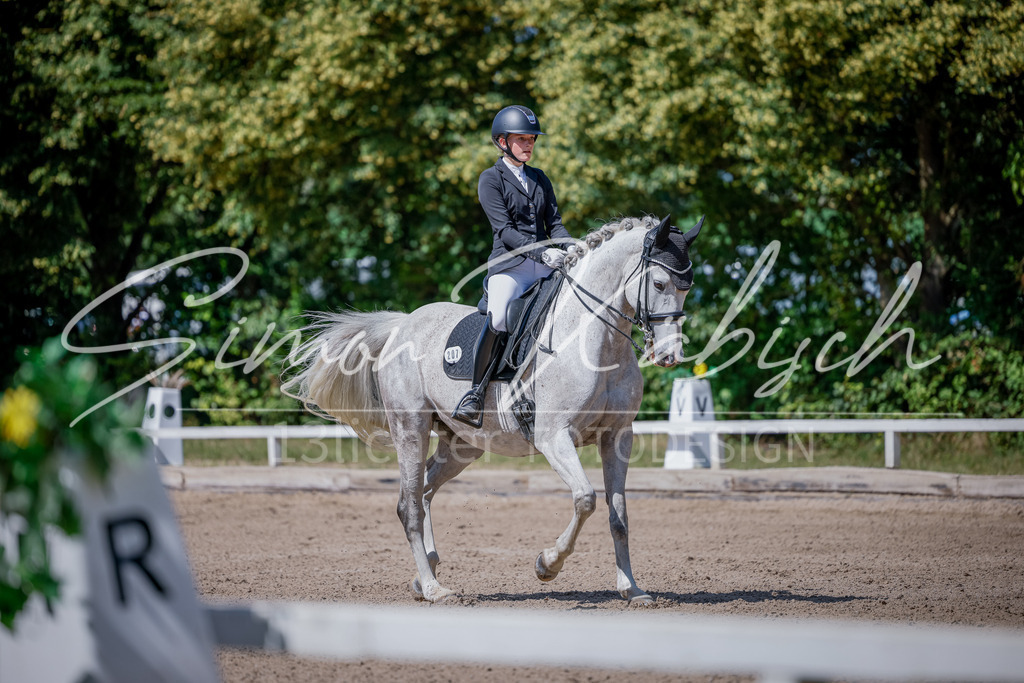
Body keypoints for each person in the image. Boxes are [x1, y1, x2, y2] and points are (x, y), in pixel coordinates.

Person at [452, 105, 572, 427]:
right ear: (502, 141)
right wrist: (542, 254)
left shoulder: (539, 178)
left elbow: (555, 226)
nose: (530, 144)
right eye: (523, 138)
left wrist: (573, 246)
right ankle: (475, 394)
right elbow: (504, 230)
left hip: (545, 264)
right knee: (501, 315)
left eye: (532, 138)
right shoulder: (490, 179)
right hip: (511, 267)